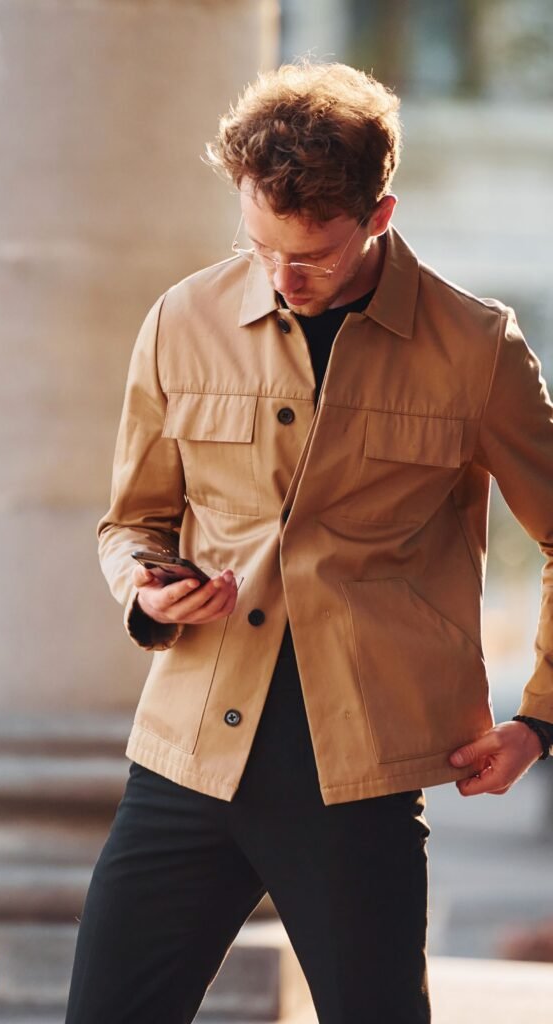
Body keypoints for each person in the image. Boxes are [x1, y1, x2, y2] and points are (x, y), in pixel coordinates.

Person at [66, 60, 553, 1024]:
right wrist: (146, 588)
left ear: (379, 216)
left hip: (358, 776)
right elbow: (132, 521)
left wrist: (539, 719)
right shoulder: (182, 320)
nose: (283, 280)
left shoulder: (475, 348)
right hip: (188, 755)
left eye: (314, 257)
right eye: (259, 247)